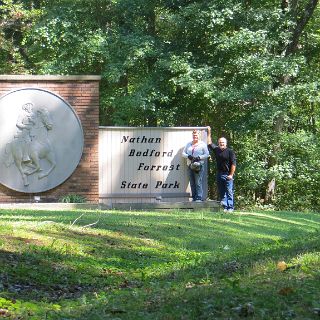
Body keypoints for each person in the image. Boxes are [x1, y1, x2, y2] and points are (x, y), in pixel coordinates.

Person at [207, 126, 236, 212]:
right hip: (219, 174)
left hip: (228, 174)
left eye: (223, 142)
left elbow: (234, 164)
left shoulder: (230, 151)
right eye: (220, 142)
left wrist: (231, 175)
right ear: (218, 143)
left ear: (226, 143)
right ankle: (224, 207)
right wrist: (209, 131)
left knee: (229, 191)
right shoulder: (217, 150)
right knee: (222, 191)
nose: (221, 143)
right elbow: (209, 143)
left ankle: (230, 207)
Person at [182, 129, 209, 202]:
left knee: (198, 182)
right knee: (192, 182)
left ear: (198, 136)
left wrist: (199, 157)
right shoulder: (188, 144)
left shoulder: (202, 144)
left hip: (198, 166)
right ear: (192, 136)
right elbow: (183, 153)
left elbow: (207, 154)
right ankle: (194, 197)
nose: (195, 137)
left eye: (196, 135)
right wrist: (188, 156)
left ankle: (199, 197)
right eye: (194, 135)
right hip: (190, 165)